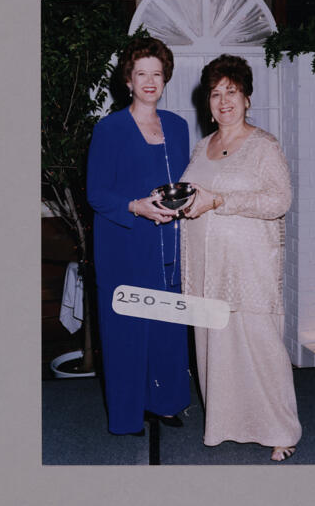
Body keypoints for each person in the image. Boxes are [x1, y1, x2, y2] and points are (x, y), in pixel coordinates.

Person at [181, 54, 302, 461]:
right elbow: (188, 194)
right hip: (205, 267)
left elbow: (279, 200)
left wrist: (219, 200)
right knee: (215, 346)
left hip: (249, 266)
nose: (223, 101)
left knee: (260, 345)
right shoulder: (203, 146)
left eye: (231, 92)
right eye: (216, 94)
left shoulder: (263, 145)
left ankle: (281, 429)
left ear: (247, 98)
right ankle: (225, 424)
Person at [87, 36, 190, 435]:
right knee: (127, 333)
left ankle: (165, 403)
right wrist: (136, 206)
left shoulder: (179, 127)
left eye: (157, 74)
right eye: (141, 73)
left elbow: (186, 181)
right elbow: (97, 192)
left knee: (167, 328)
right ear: (128, 80)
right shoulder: (110, 128)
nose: (150, 81)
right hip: (126, 246)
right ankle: (129, 415)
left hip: (170, 245)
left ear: (165, 80)